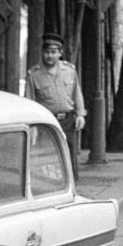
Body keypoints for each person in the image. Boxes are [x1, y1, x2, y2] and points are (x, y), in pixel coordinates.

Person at [26, 33, 85, 175]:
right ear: (42, 53)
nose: (50, 56)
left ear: (60, 53)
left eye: (53, 52)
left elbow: (77, 93)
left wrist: (80, 114)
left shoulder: (69, 71)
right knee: (48, 152)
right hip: (47, 121)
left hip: (67, 120)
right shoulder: (34, 74)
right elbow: (29, 100)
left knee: (68, 150)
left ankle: (72, 184)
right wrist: (32, 125)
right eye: (47, 52)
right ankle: (51, 185)